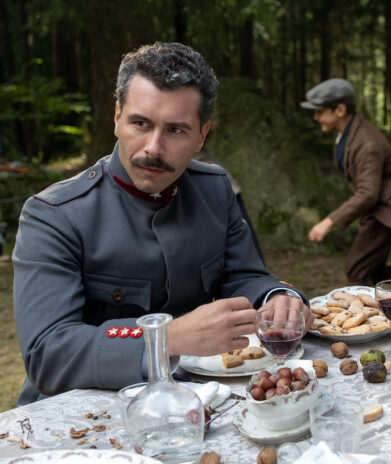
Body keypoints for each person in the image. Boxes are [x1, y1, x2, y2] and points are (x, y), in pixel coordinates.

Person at [12, 42, 313, 405]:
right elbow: (48, 355)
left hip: (194, 399)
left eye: (175, 130)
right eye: (141, 123)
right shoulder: (54, 214)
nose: (153, 147)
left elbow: (243, 276)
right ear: (117, 118)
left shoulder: (215, 190)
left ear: (202, 135)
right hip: (76, 415)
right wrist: (166, 338)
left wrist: (276, 297)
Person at [301, 78, 391, 285]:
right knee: (370, 270)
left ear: (340, 110)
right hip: (376, 209)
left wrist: (328, 222)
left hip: (386, 209)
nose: (316, 117)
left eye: (320, 111)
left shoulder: (366, 143)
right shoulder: (345, 133)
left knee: (356, 270)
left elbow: (368, 193)